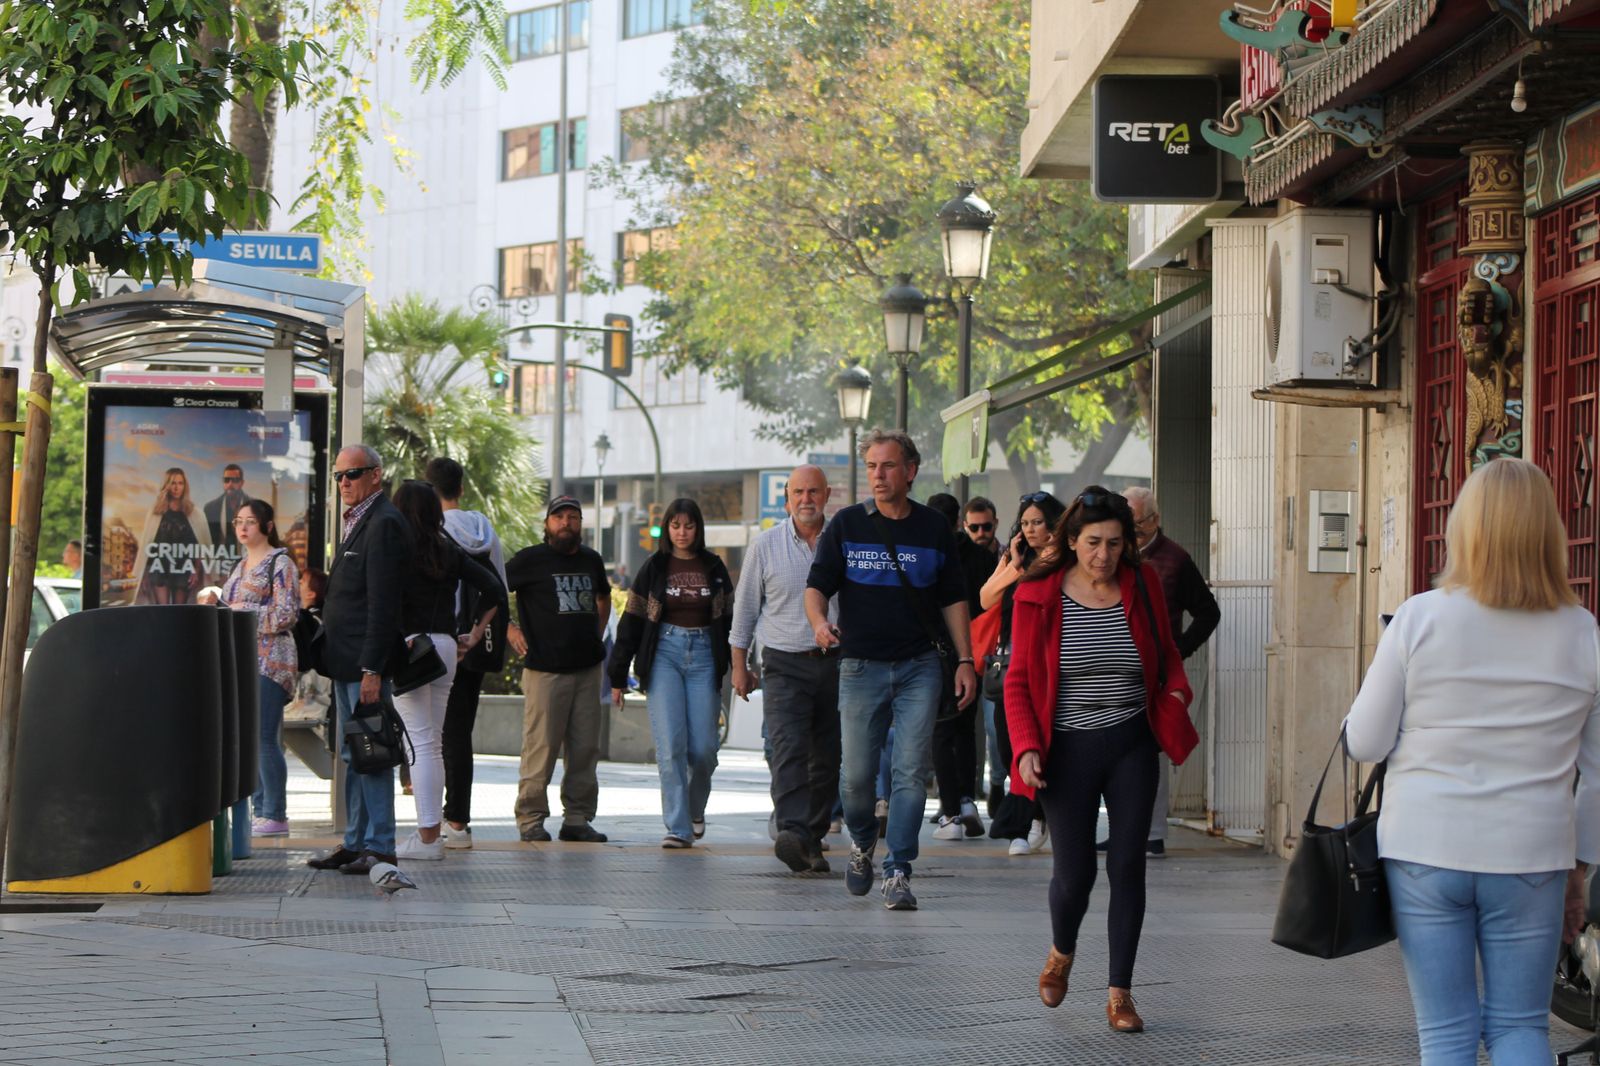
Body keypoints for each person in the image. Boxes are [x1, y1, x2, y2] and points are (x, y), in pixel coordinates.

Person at [1344, 458, 1600, 1065]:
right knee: (1520, 1027)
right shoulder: (1582, 631)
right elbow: (1597, 773)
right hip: (1532, 855)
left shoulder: (1418, 617)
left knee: (1446, 1034)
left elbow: (1366, 742)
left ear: (1465, 528)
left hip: (1426, 849)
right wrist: (1580, 869)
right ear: (1549, 534)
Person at [1004, 487, 1193, 1033]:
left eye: (1113, 543)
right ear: (1071, 540)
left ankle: (1120, 993)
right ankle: (1061, 951)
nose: (1103, 555)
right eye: (1092, 543)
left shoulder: (1144, 583)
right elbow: (1018, 681)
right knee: (1075, 874)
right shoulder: (1037, 592)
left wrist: (1176, 694)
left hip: (1132, 741)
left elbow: (1168, 654)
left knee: (1128, 864)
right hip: (1067, 748)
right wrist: (1027, 746)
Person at [805, 429, 977, 912]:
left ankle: (898, 868)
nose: (878, 476)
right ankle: (863, 841)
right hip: (861, 666)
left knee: (910, 772)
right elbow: (817, 586)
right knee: (857, 778)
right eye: (871, 467)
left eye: (887, 466)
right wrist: (819, 623)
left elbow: (953, 599)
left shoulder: (933, 528)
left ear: (910, 471)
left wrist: (965, 660)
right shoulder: (847, 525)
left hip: (920, 666)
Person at [388, 481, 505, 862]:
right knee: (433, 743)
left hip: (412, 647)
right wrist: (475, 632)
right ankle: (431, 833)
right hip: (445, 647)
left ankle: (427, 839)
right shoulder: (446, 549)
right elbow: (494, 589)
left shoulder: (398, 550)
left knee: (419, 744)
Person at [731, 465, 839, 874]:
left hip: (836, 663)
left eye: (813, 492)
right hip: (783, 663)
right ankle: (792, 831)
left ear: (827, 495)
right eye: (798, 493)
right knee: (788, 747)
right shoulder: (765, 546)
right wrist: (739, 666)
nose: (806, 500)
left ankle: (811, 839)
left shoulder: (844, 542)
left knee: (828, 757)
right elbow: (744, 611)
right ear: (786, 499)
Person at [307, 445, 409, 876]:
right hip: (346, 661)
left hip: (364, 664)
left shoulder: (383, 522)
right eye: (339, 476)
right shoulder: (358, 519)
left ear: (376, 475)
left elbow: (384, 605)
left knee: (373, 754)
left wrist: (373, 669)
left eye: (352, 474)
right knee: (356, 755)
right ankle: (355, 843)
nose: (344, 482)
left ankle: (381, 847)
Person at [610, 498, 735, 848]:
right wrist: (618, 676)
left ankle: (695, 809)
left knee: (705, 749)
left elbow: (730, 621)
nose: (682, 533)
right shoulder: (654, 567)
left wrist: (739, 664)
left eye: (689, 526)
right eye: (675, 526)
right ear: (667, 528)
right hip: (664, 654)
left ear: (698, 529)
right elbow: (632, 621)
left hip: (705, 656)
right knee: (670, 748)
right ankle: (678, 827)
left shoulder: (714, 567)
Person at [1105, 485, 1220, 858]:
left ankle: (1152, 833)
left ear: (1155, 520)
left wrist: (1179, 650)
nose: (1131, 530)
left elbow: (1208, 612)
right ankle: (1122, 829)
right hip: (1114, 665)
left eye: (1136, 523)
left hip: (1154, 670)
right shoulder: (1114, 553)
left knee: (1150, 747)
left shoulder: (1175, 559)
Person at [505, 495, 612, 844]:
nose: (566, 523)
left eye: (573, 517)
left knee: (585, 749)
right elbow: (491, 590)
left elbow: (603, 597)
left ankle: (577, 819)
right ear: (547, 524)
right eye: (559, 517)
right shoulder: (530, 560)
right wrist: (509, 628)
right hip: (545, 670)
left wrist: (596, 635)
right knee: (541, 748)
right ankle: (531, 819)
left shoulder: (591, 559)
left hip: (587, 669)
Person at [201, 499, 301, 837]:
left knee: (263, 737)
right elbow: (234, 607)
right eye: (238, 521)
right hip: (243, 658)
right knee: (248, 739)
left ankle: (275, 813)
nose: (243, 527)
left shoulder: (281, 563)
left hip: (272, 660)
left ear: (267, 526)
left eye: (251, 521)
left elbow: (286, 614)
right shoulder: (241, 564)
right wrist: (221, 606)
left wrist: (242, 611)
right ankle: (260, 810)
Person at [425, 456, 510, 851]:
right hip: (473, 645)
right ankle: (458, 820)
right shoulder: (484, 529)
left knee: (433, 733)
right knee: (460, 732)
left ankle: (436, 820)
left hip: (438, 642)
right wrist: (475, 635)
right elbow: (498, 587)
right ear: (460, 488)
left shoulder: (431, 530)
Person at [979, 490, 1067, 856]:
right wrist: (1014, 565)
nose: (1030, 530)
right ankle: (1030, 817)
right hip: (1011, 663)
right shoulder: (1015, 559)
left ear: (1054, 525)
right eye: (1025, 523)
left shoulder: (1067, 560)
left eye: (1038, 523)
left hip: (1049, 663)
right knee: (1007, 745)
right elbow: (985, 598)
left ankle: (1033, 819)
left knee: (1042, 743)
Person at [930, 494, 1001, 841]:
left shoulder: (929, 554)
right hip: (974, 654)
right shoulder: (981, 557)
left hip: (936, 653)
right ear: (959, 521)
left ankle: (950, 813)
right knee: (965, 730)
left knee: (941, 731)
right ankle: (967, 799)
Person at [136, 467, 211, 605]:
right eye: (173, 483)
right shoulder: (156, 512)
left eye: (180, 483)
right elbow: (148, 545)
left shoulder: (194, 512)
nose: (177, 488)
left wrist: (196, 570)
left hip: (184, 567)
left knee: (179, 610)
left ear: (185, 486)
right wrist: (145, 574)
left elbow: (200, 546)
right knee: (162, 610)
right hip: (160, 566)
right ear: (167, 485)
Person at [204, 463, 251, 551]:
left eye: (235, 480)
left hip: (248, 557)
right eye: (227, 480)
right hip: (220, 557)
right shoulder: (210, 508)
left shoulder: (254, 507)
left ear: (242, 483)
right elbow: (207, 541)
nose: (230, 484)